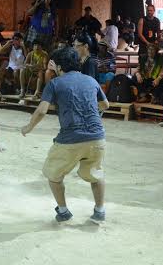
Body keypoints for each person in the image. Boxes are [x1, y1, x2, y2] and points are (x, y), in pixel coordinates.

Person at [20, 47, 110, 224]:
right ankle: (99, 211)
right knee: (96, 175)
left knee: (53, 175)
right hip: (97, 138)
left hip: (70, 141)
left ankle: (63, 211)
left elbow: (42, 111)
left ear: (58, 66)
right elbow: (105, 105)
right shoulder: (91, 80)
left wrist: (28, 127)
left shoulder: (55, 83)